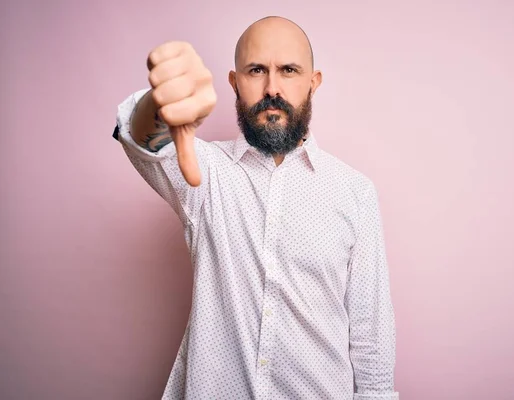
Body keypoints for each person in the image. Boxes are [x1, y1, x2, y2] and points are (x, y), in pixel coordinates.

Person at [112, 15, 398, 400]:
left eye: (289, 70)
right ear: (235, 82)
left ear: (313, 82)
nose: (272, 88)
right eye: (256, 70)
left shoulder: (355, 193)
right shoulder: (204, 173)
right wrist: (162, 103)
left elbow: (371, 334)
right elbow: (141, 139)